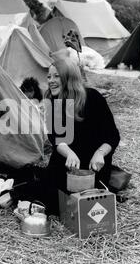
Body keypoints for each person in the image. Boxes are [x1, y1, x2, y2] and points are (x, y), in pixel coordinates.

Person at [38, 58, 120, 215]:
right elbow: (56, 138)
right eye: (49, 77)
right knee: (52, 202)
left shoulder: (93, 98)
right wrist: (68, 153)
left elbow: (112, 135)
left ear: (69, 77)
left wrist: (100, 153)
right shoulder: (52, 102)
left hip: (93, 165)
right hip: (67, 162)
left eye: (56, 76)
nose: (51, 81)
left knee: (90, 202)